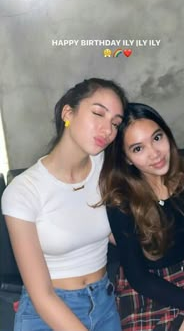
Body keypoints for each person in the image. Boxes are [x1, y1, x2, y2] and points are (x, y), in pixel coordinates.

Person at [1, 78, 128, 331]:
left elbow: (123, 234)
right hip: (49, 311)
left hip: (104, 301)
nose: (108, 130)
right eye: (98, 114)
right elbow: (42, 296)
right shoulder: (23, 191)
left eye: (115, 123)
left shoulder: (107, 167)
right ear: (68, 113)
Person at [99, 102, 184, 331]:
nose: (154, 154)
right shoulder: (122, 201)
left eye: (157, 138)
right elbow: (138, 277)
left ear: (167, 135)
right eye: (138, 148)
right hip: (146, 292)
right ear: (128, 159)